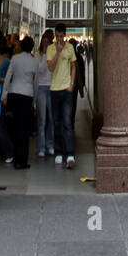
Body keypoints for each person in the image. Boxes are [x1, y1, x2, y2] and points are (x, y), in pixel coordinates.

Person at [3, 35, 39, 169]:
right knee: (24, 129)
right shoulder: (34, 62)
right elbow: (36, 83)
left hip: (13, 94)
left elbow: (8, 77)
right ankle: (22, 161)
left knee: (13, 127)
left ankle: (13, 155)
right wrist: (34, 102)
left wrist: (4, 95)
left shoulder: (15, 58)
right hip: (26, 95)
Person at [47, 22, 77, 169]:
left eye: (61, 36)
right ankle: (59, 151)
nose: (59, 39)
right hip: (54, 89)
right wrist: (58, 53)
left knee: (67, 122)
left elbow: (73, 66)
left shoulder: (70, 48)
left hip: (66, 90)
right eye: (57, 36)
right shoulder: (50, 49)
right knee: (56, 122)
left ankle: (70, 153)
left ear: (65, 35)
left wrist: (72, 84)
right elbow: (50, 68)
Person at [36, 30, 55, 158]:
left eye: (48, 41)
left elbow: (53, 69)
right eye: (44, 41)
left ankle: (50, 144)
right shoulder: (37, 55)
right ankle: (41, 147)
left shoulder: (52, 54)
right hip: (41, 88)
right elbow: (40, 70)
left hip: (52, 87)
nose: (46, 43)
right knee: (42, 119)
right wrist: (45, 55)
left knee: (52, 118)